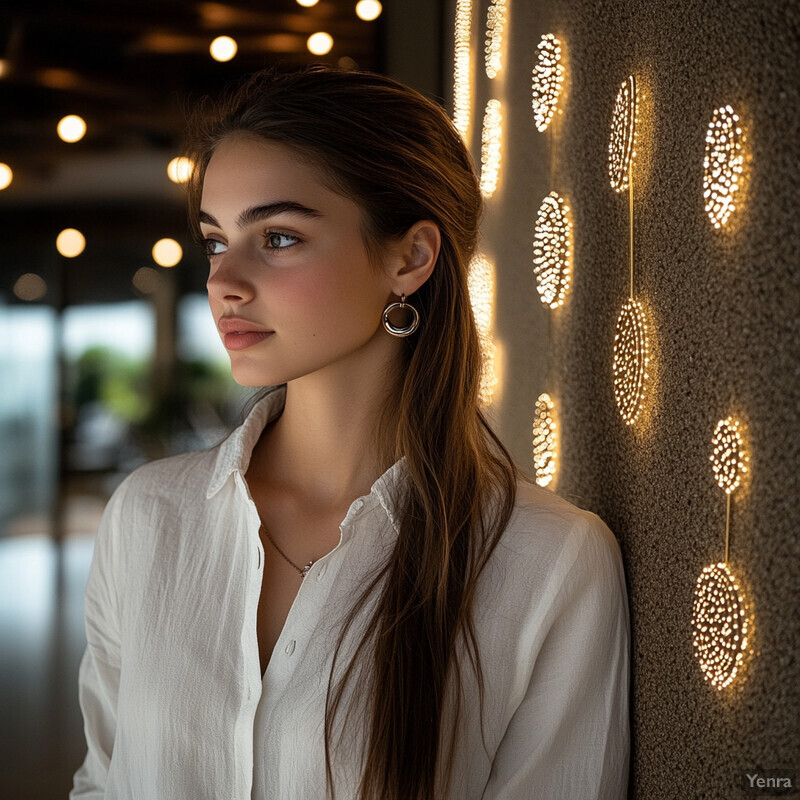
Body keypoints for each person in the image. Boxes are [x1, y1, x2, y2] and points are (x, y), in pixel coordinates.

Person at [71, 66, 630, 800]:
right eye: (214, 242)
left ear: (410, 258)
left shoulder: (548, 564)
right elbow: (104, 783)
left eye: (277, 237)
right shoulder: (147, 517)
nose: (223, 281)